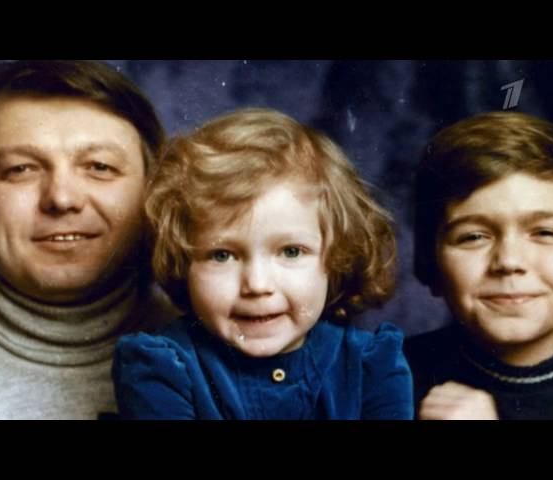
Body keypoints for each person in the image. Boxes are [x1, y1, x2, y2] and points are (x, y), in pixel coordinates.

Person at [112, 108, 413, 419]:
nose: (257, 285)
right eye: (222, 255)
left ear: (337, 258)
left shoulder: (372, 365)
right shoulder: (160, 368)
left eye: (291, 252)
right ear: (183, 264)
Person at [0, 60, 178, 419]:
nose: (61, 198)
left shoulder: (227, 351)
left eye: (99, 167)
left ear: (154, 191)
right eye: (21, 169)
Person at [405, 111, 553, 420]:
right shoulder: (381, 377)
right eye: (473, 237)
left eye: (545, 233)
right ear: (431, 261)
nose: (509, 262)